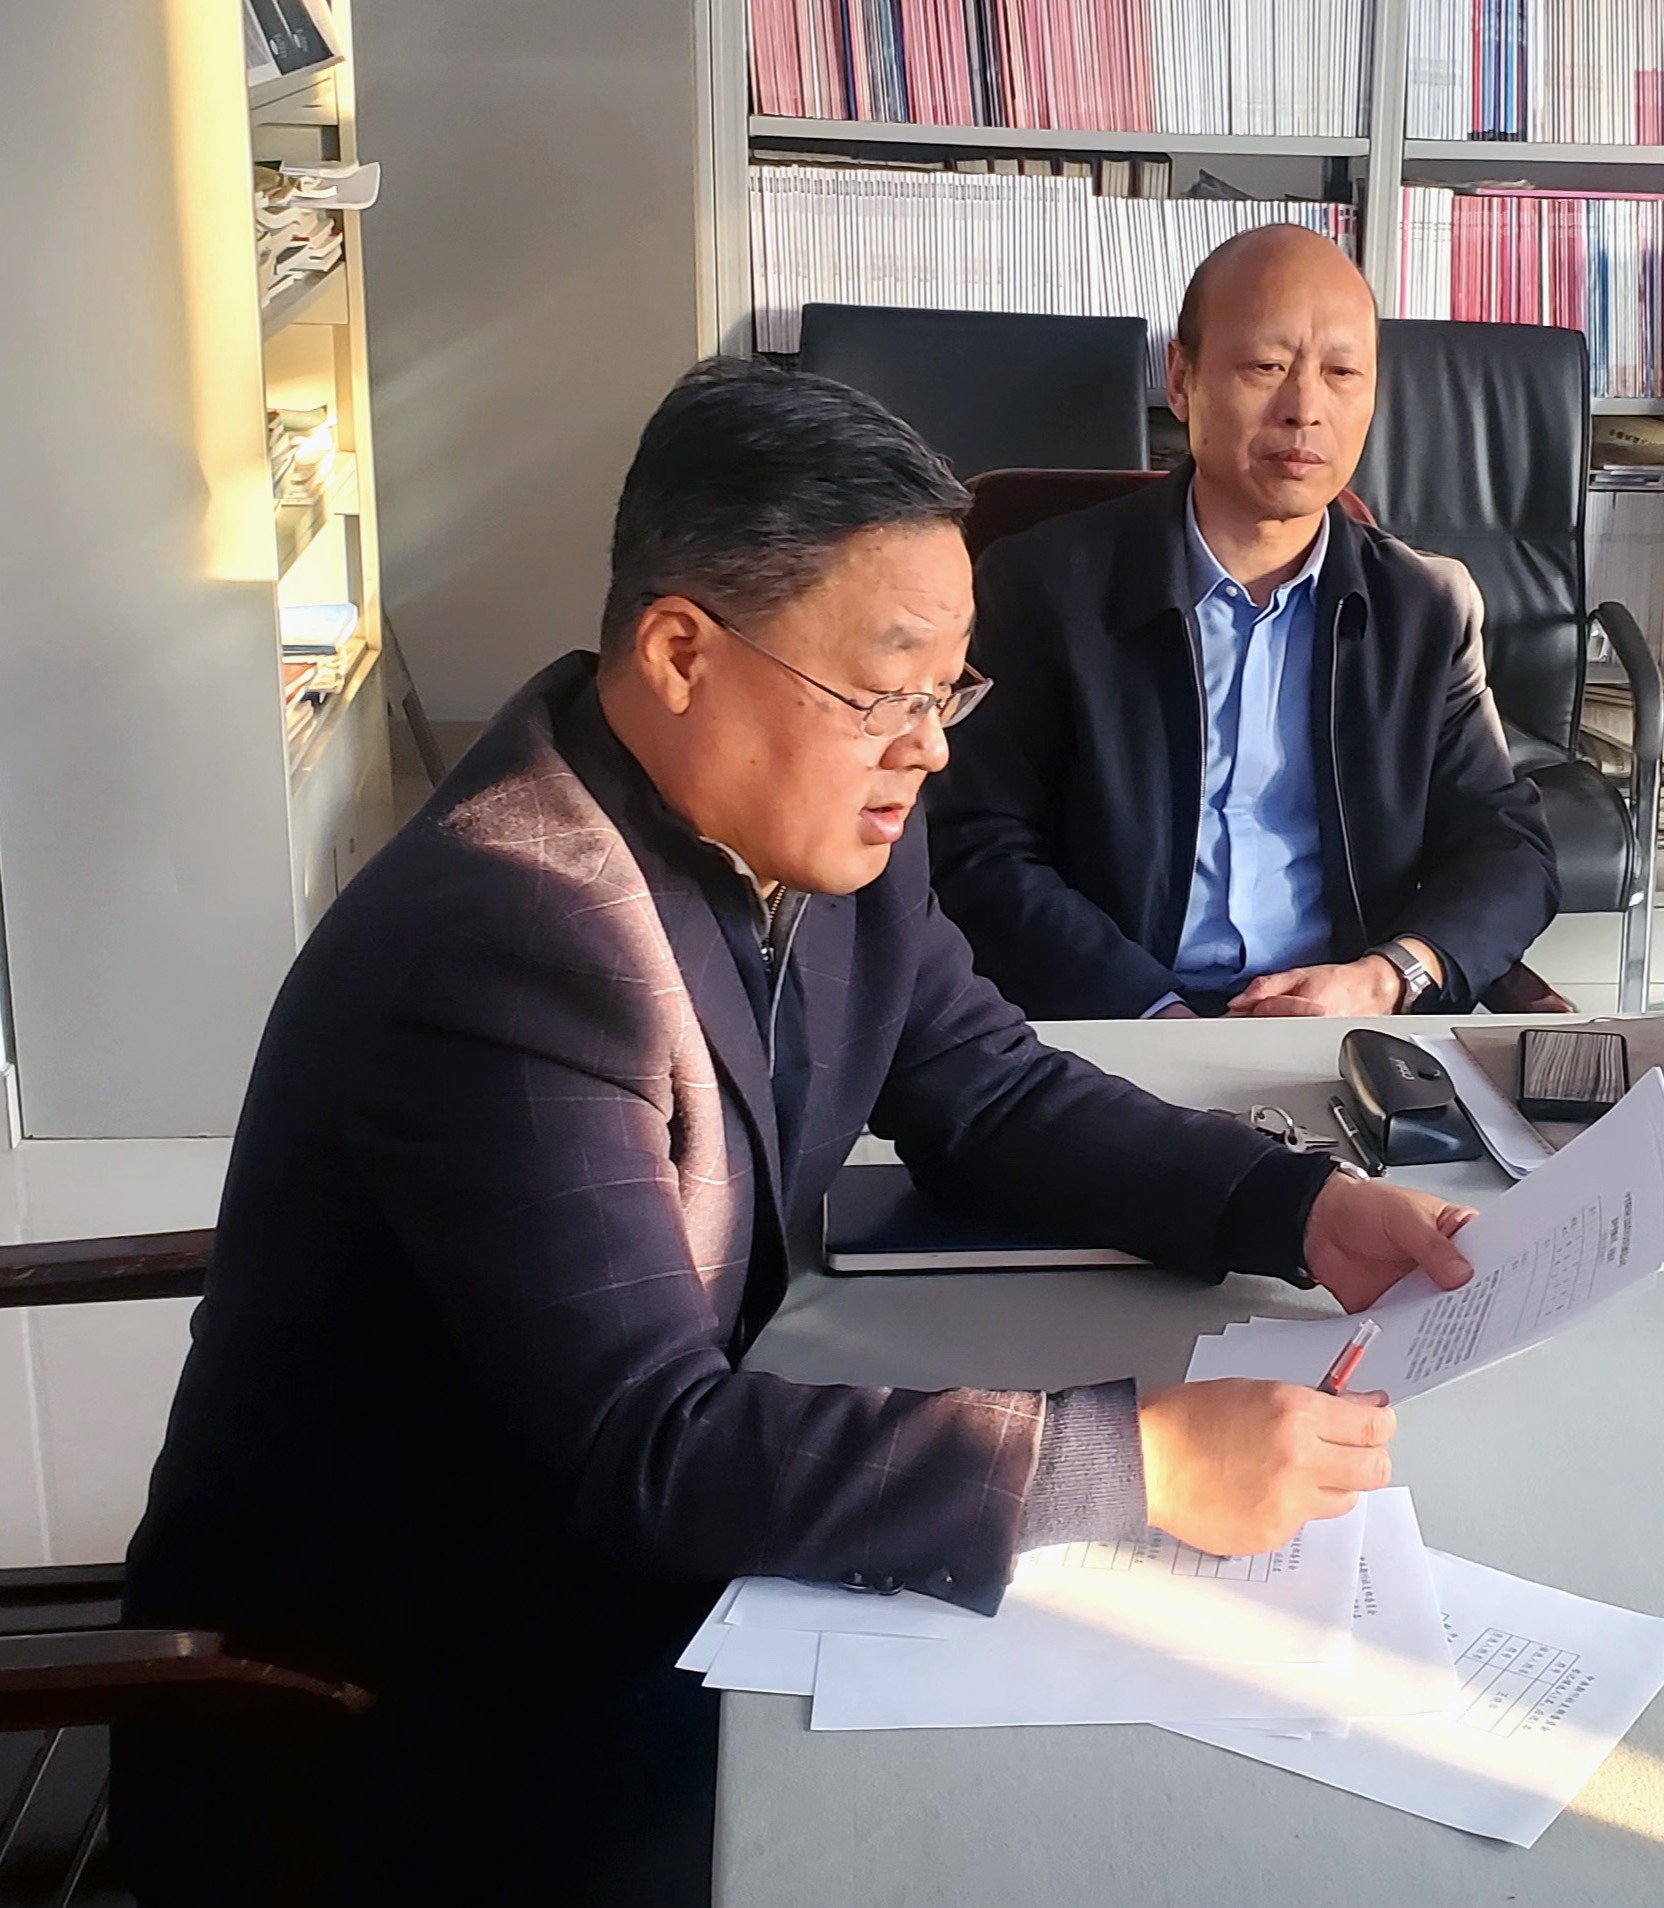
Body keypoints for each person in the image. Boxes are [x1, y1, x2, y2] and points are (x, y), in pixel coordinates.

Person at [112, 358, 1476, 1906]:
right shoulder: (509, 938)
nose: (929, 746)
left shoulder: (807, 818)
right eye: (884, 691)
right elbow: (654, 1447)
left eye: (946, 690)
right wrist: (1131, 1462)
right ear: (680, 652)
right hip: (403, 1702)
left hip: (615, 1575)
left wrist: (1292, 1206)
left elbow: (988, 1086)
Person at [927, 222, 1559, 1020]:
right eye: (1265, 367)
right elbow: (977, 845)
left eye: (1341, 373)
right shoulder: (1042, 586)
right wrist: (1150, 1011)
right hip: (1110, 1022)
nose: (1304, 410)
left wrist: (1386, 977)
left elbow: (1507, 847)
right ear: (1182, 379)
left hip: (1338, 1023)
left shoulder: (1423, 607)